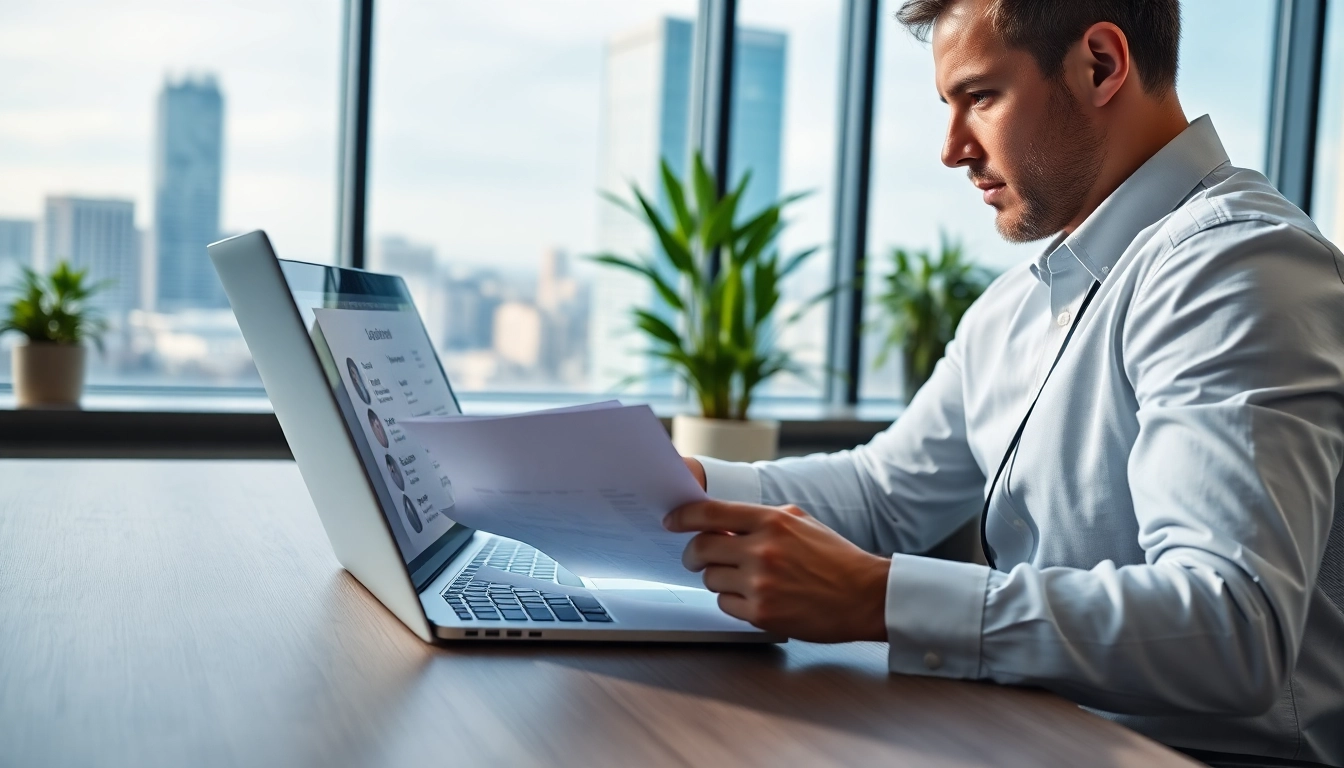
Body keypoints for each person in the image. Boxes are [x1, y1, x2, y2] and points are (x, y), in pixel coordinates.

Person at [666, 1, 1344, 765]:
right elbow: (886, 494)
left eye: (980, 96)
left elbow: (1233, 628)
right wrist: (679, 488)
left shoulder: (1236, 267)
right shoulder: (1014, 310)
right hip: (1039, 736)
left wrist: (879, 596)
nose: (953, 149)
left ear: (1101, 65)